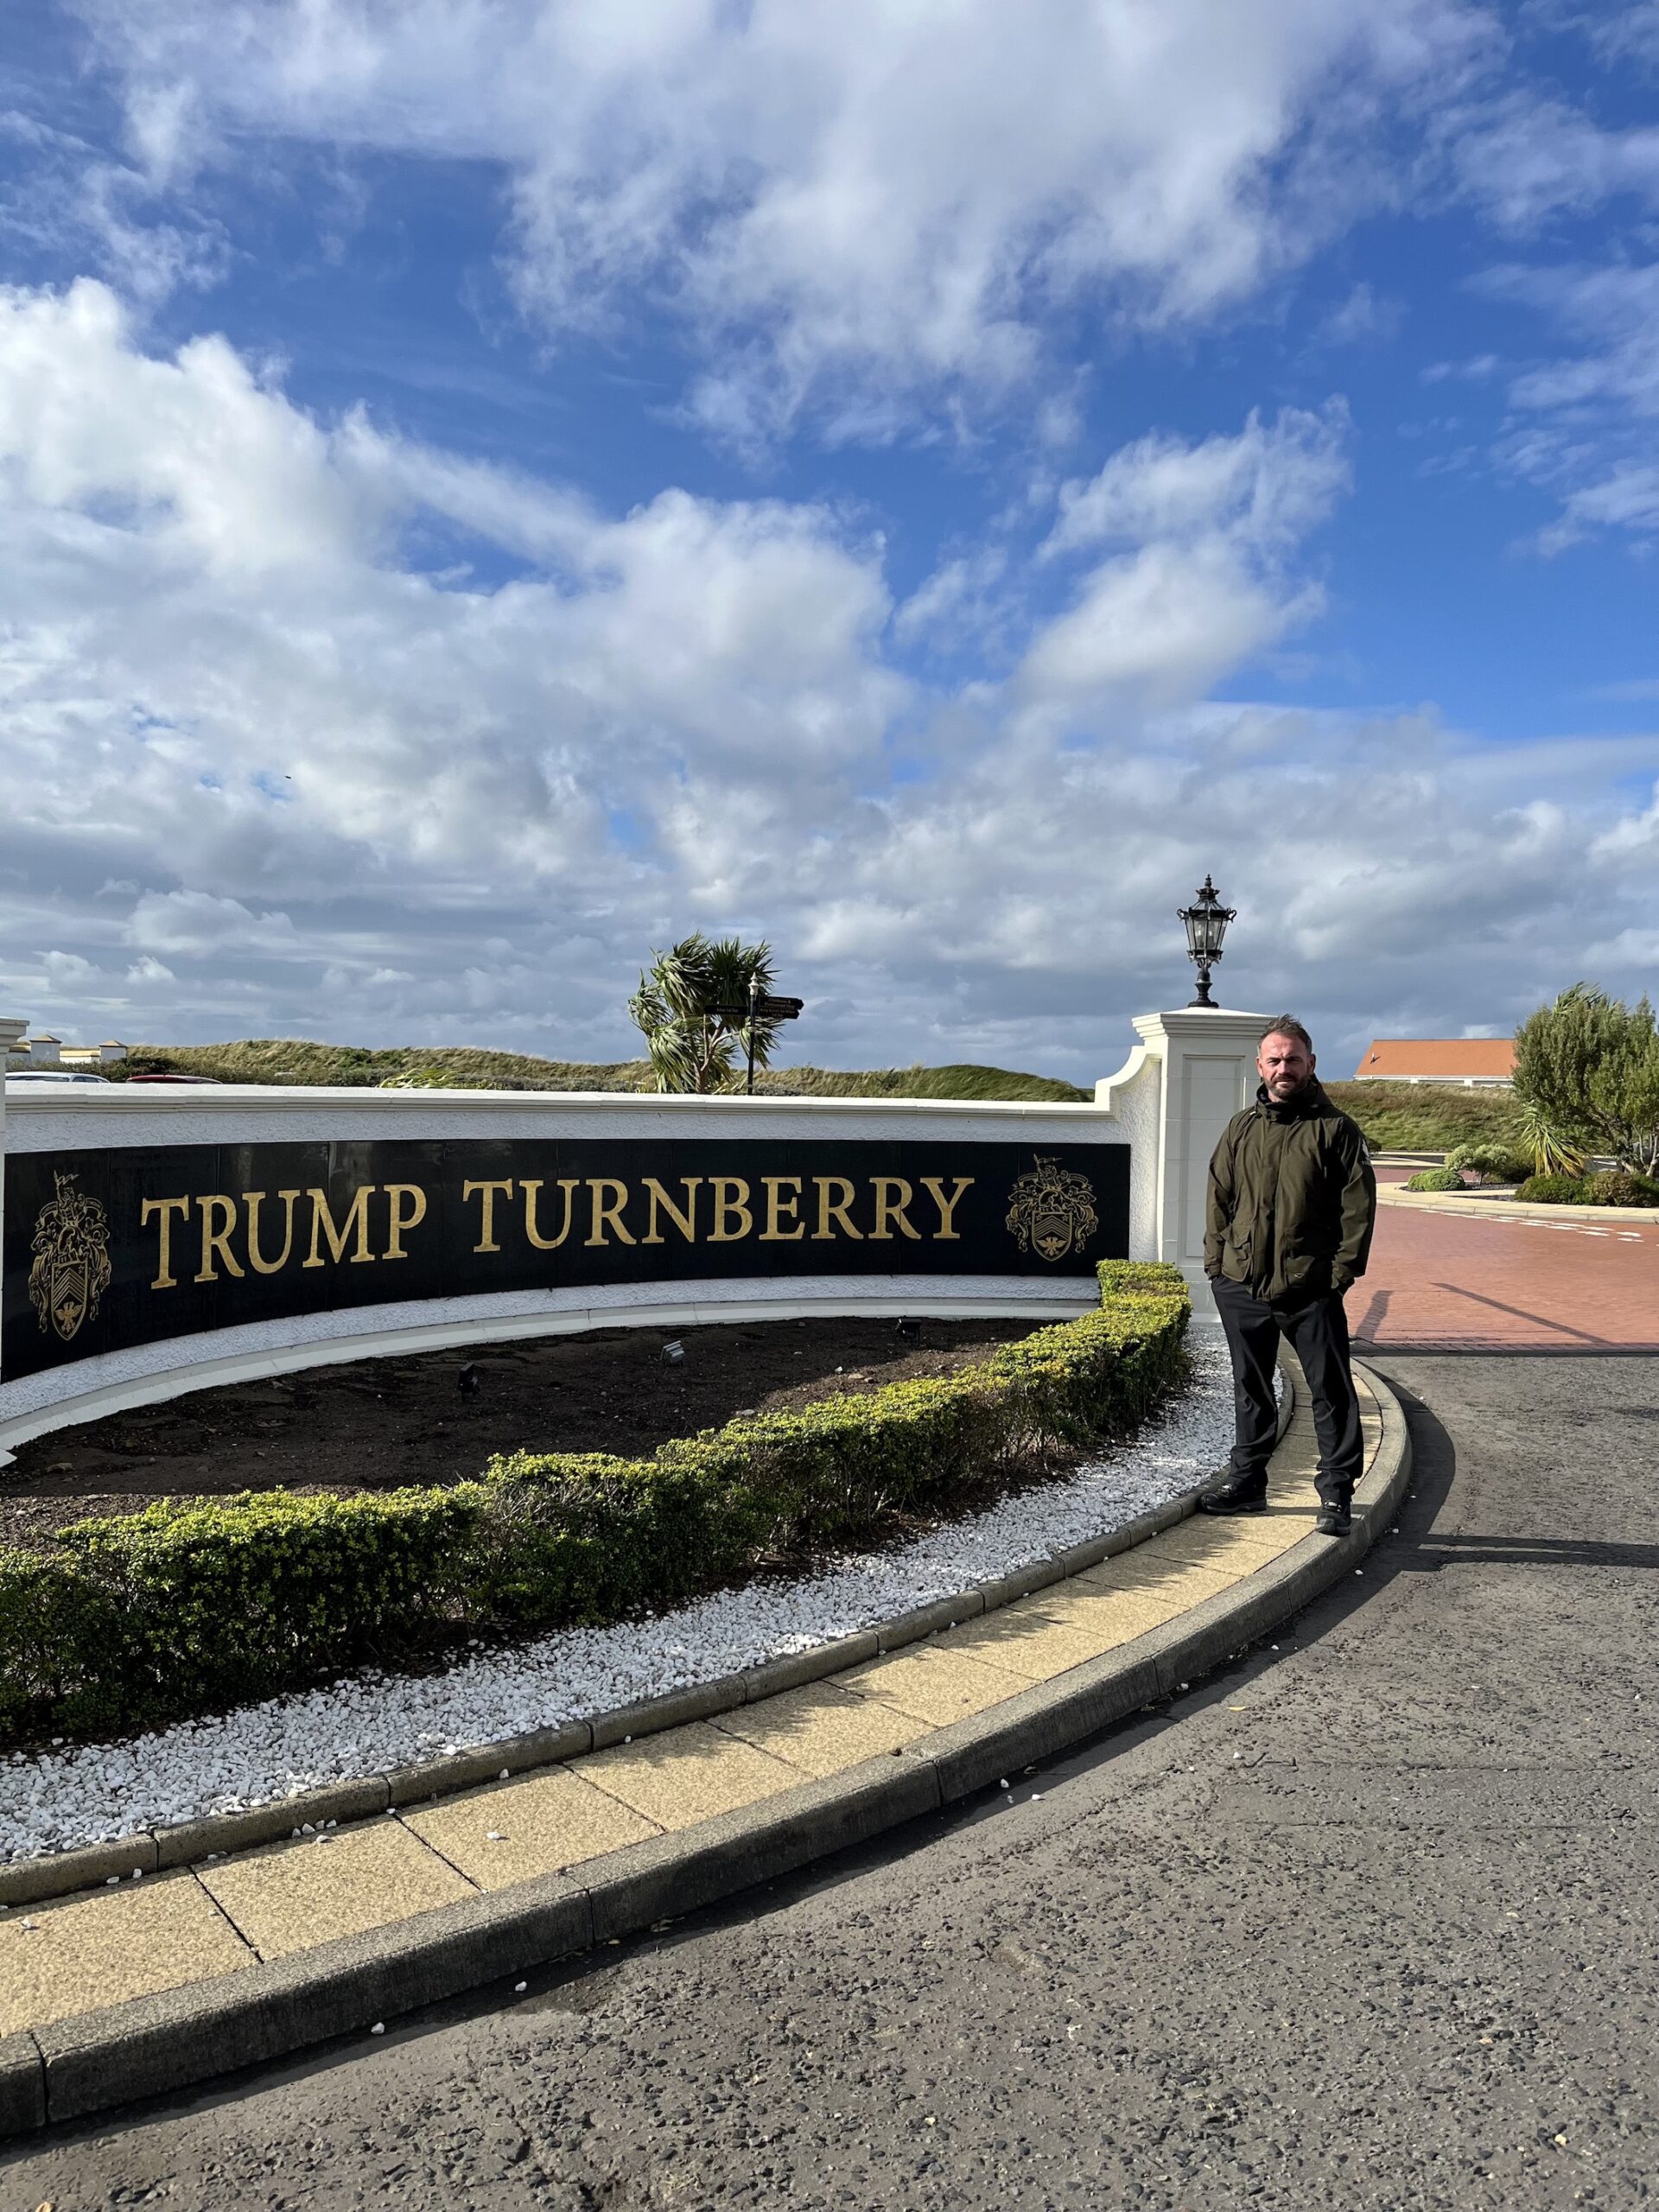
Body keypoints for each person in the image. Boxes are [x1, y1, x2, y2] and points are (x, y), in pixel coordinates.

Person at [1201, 1015, 1376, 1535]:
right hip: (1242, 1284)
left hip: (1311, 1289)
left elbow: (1358, 1211)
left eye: (1293, 1059)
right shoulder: (1241, 1128)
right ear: (1260, 1066)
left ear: (1311, 1063)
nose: (1284, 1068)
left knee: (1330, 1389)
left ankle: (1337, 1493)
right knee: (1251, 1387)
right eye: (1275, 1060)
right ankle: (1248, 1484)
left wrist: (1339, 1276)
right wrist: (1218, 1268)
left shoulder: (1337, 1130)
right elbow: (1219, 1199)